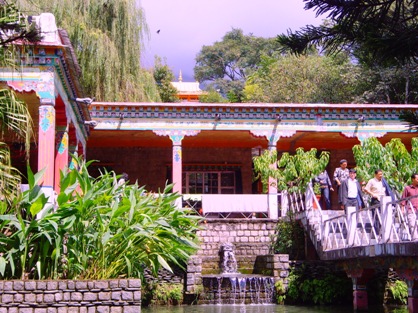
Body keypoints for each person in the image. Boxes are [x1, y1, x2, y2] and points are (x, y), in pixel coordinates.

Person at [363, 169, 395, 236]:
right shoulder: (372, 181)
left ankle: (384, 231)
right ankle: (377, 232)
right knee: (377, 216)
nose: (381, 176)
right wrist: (372, 194)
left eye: (381, 174)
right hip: (376, 200)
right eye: (379, 174)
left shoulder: (383, 181)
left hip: (383, 200)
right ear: (375, 175)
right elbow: (366, 189)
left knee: (384, 215)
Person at [401, 173, 418, 240]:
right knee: (412, 224)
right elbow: (403, 200)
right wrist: (402, 209)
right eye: (417, 179)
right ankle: (415, 239)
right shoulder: (407, 188)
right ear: (413, 179)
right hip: (411, 209)